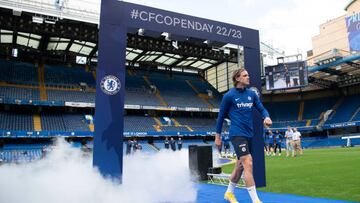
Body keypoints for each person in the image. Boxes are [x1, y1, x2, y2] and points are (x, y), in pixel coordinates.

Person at [215, 68, 272, 203]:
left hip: (249, 134)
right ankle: (256, 200)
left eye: (248, 75)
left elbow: (261, 108)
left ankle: (229, 193)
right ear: (237, 78)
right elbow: (221, 117)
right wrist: (217, 137)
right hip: (237, 134)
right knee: (248, 161)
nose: (248, 77)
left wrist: (266, 117)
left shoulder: (251, 94)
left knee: (240, 166)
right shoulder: (229, 96)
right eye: (245, 75)